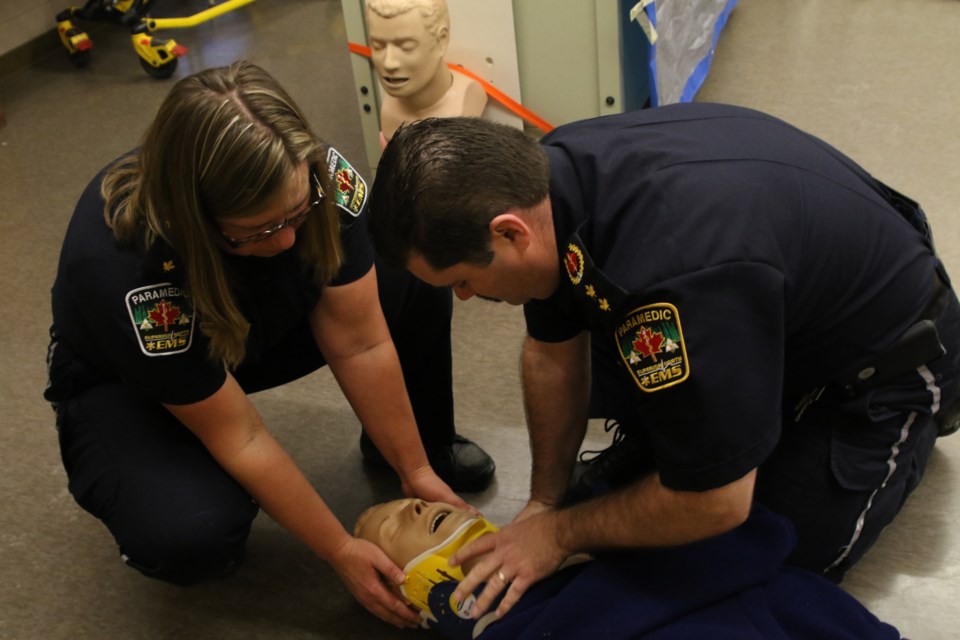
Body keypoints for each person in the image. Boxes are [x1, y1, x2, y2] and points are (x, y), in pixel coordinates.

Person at [366, 105, 960, 619]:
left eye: (465, 280)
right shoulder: (548, 180)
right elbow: (553, 352)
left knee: (758, 560)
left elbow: (717, 502)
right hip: (771, 301)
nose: (466, 299)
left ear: (510, 233)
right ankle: (707, 435)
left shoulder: (669, 273)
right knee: (639, 498)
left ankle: (911, 428)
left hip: (883, 362)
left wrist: (559, 534)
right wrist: (546, 501)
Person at [43, 60, 495, 629]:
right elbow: (241, 432)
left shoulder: (321, 174)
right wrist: (339, 549)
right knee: (193, 533)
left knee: (409, 274)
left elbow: (359, 342)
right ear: (197, 218)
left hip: (239, 324)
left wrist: (416, 469)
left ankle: (413, 451)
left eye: (295, 215)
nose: (285, 241)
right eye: (258, 229)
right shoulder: (126, 263)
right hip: (129, 377)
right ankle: (167, 486)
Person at [354, 498, 902, 639]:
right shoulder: (466, 611)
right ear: (420, 587)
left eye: (410, 501)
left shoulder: (565, 545)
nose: (416, 505)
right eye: (392, 524)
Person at [365, 0, 487, 147]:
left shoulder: (468, 99)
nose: (388, 63)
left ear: (441, 40)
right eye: (378, 46)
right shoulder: (390, 105)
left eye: (406, 47)